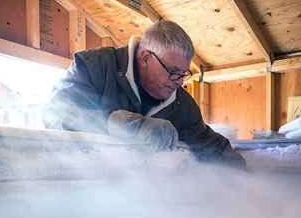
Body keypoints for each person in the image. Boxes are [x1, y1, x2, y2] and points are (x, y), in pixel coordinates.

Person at [42, 21, 246, 168]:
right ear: (146, 58)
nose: (179, 81)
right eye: (173, 72)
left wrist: (248, 180)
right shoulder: (94, 66)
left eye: (184, 74)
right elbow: (55, 114)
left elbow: (211, 146)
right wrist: (119, 123)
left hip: (143, 202)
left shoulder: (182, 105)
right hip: (87, 188)